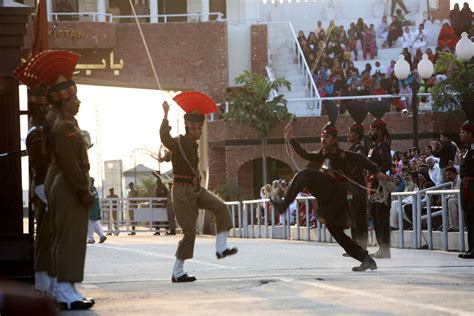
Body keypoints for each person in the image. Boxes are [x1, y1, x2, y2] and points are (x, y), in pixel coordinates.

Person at [271, 121, 388, 272]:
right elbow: (306, 155)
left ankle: (283, 204)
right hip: (330, 200)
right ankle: (366, 260)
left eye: (326, 137)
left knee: (305, 174)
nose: (323, 140)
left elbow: (359, 158)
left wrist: (376, 171)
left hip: (338, 192)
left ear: (333, 139)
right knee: (337, 233)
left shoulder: (339, 154)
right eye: (322, 137)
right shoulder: (323, 154)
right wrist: (291, 139)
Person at [160, 94, 237, 283]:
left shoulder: (191, 145)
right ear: (189, 127)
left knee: (221, 207)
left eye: (201, 128)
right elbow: (165, 138)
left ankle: (221, 248)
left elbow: (175, 157)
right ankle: (177, 271)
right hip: (181, 192)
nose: (200, 132)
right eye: (196, 128)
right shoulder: (178, 142)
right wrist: (165, 115)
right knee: (189, 232)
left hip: (195, 189)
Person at [48, 69, 94, 309]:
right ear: (64, 102)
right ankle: (66, 289)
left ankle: (63, 287)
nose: (78, 102)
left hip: (65, 185)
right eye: (74, 98)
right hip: (69, 187)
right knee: (70, 239)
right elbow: (69, 164)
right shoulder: (64, 127)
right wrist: (82, 190)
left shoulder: (66, 123)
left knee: (63, 237)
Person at [25, 86, 52, 293]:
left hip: (44, 184)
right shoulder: (39, 132)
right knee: (48, 235)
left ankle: (46, 283)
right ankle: (46, 283)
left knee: (48, 234)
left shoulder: (39, 130)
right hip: (46, 185)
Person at [367, 117, 393, 258]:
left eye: (373, 130)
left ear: (380, 131)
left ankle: (385, 249)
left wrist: (378, 173)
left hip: (381, 187)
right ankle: (380, 247)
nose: (370, 132)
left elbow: (387, 163)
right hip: (373, 186)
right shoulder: (373, 147)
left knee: (382, 218)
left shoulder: (383, 146)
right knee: (376, 217)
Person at [346, 119, 369, 250]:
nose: (348, 135)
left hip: (358, 185)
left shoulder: (361, 149)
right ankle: (355, 246)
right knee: (353, 218)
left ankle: (362, 247)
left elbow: (357, 167)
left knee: (360, 218)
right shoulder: (351, 148)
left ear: (358, 135)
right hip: (351, 185)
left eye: (351, 133)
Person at [458, 113, 474, 259]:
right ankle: (471, 248)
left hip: (472, 185)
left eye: (463, 132)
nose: (460, 135)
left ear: (470, 134)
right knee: (468, 217)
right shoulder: (467, 149)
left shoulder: (473, 149)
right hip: (466, 185)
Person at [87, 178, 107, 244]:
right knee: (95, 225)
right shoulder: (94, 189)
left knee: (90, 224)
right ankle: (102, 236)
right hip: (95, 210)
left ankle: (91, 239)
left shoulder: (91, 190)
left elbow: (90, 200)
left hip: (92, 210)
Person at [443, 167, 461, 232]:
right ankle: (447, 225)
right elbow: (452, 193)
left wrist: (448, 198)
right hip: (457, 200)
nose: (448, 177)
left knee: (451, 201)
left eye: (449, 174)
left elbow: (456, 194)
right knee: (446, 201)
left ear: (455, 173)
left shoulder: (459, 180)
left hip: (463, 200)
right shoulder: (452, 181)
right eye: (447, 175)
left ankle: (455, 227)